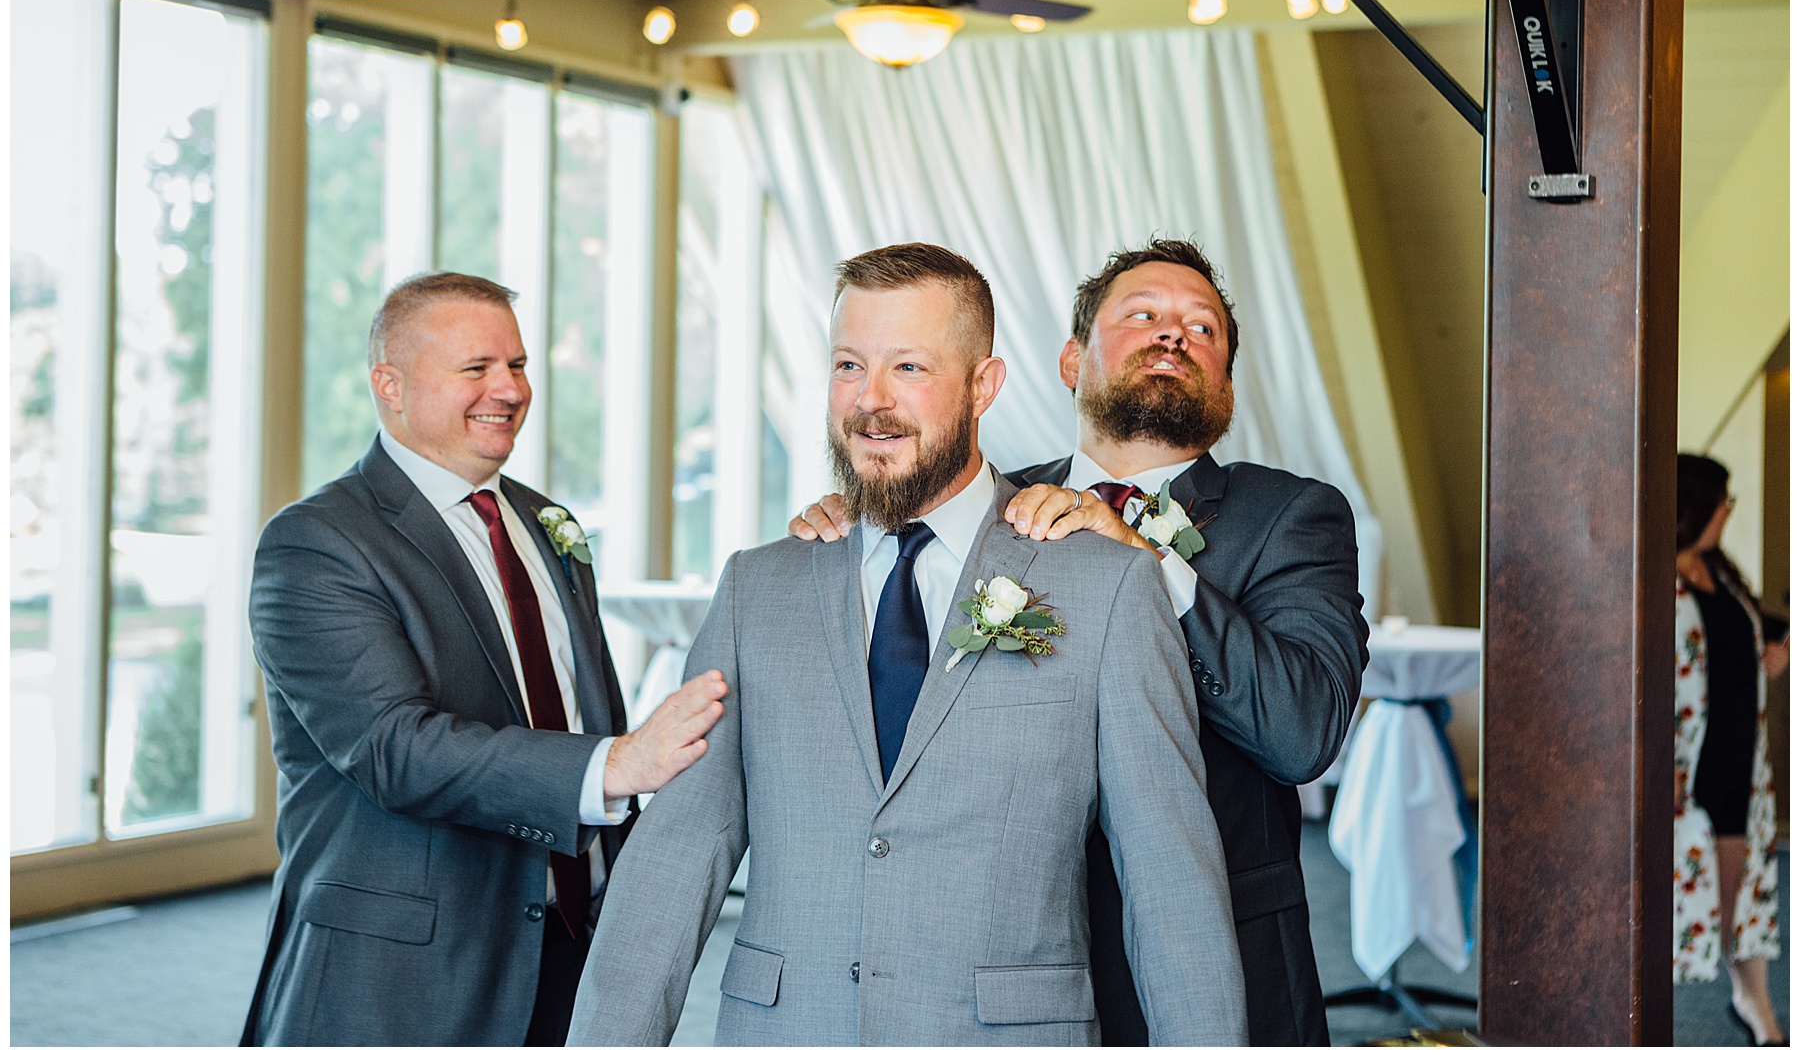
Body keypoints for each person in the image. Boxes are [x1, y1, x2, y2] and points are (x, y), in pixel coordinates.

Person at [567, 244, 1247, 1046]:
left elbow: (1171, 882)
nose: (871, 401)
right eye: (849, 364)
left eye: (910, 368)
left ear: (983, 386)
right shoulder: (758, 589)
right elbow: (677, 859)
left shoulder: (1108, 588)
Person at [792, 238, 1367, 1045]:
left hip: (1219, 960)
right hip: (1000, 976)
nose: (1174, 334)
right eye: (1143, 316)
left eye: (1203, 329)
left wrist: (1145, 565)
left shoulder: (1292, 516)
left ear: (1227, 387)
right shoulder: (976, 512)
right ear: (1071, 361)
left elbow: (1302, 730)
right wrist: (860, 540)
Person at [241, 272, 729, 1046]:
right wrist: (615, 764)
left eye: (519, 364)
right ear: (389, 385)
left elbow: (574, 706)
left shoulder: (546, 521)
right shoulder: (318, 543)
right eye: (477, 368)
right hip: (408, 975)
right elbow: (394, 748)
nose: (509, 388)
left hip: (574, 952)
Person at [1672, 453, 1785, 1045]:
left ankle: (1757, 1011)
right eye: (1724, 502)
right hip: (1688, 763)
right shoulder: (1655, 580)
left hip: (1739, 753)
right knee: (1681, 905)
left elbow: (1742, 637)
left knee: (1743, 895)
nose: (1729, 512)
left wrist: (1773, 651)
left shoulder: (1722, 572)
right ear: (1695, 509)